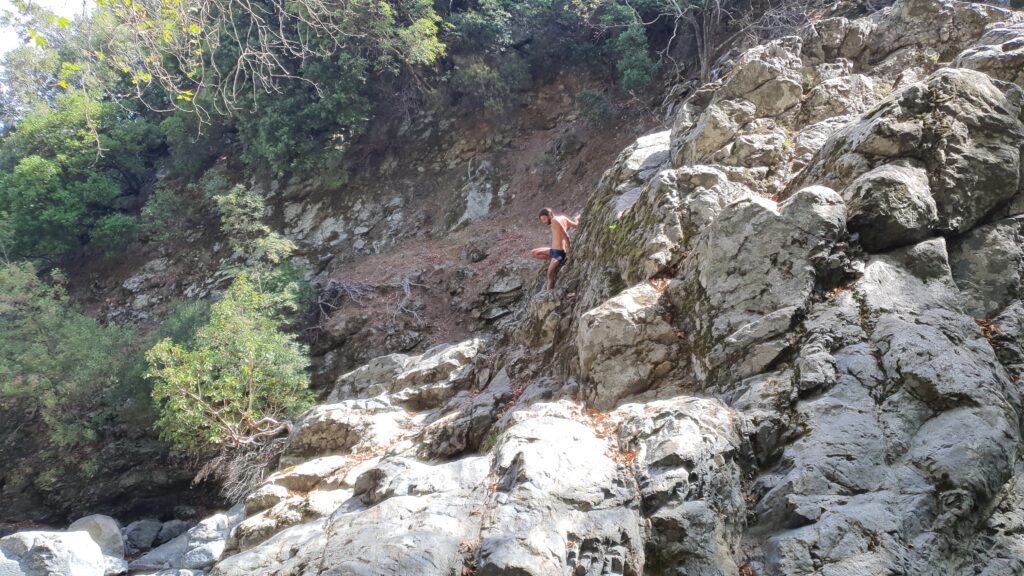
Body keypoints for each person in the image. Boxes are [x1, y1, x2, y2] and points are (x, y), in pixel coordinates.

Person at [530, 207, 578, 289]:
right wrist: (577, 219)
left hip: (559, 253)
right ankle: (555, 261)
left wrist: (569, 249)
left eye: (544, 219)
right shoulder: (563, 218)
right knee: (534, 253)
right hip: (553, 250)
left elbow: (565, 235)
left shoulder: (554, 221)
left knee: (549, 274)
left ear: (549, 215)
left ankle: (549, 293)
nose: (544, 222)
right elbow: (575, 225)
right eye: (542, 220)